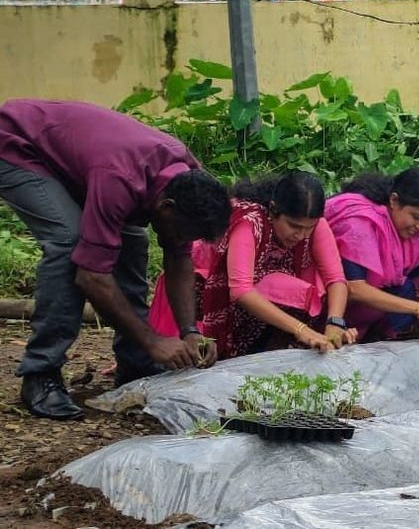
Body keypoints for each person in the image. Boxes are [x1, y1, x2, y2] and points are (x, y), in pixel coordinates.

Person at [0, 100, 230, 420]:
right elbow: (91, 276)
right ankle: (41, 374)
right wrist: (153, 341)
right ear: (166, 207)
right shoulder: (120, 178)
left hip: (82, 160)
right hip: (18, 144)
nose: (180, 242)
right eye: (180, 233)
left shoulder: (190, 181)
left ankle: (135, 364)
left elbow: (180, 260)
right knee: (70, 246)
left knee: (132, 241)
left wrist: (189, 331)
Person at [149, 171, 354, 359]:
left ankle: (264, 356)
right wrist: (301, 330)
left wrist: (334, 322)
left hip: (258, 301)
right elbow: (241, 291)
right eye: (294, 226)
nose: (301, 235)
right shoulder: (250, 222)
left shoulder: (316, 225)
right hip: (204, 292)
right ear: (273, 210)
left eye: (308, 228)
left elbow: (335, 279)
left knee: (306, 296)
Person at [325, 169, 419, 344]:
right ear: (394, 201)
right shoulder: (360, 223)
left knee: (405, 290)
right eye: (416, 217)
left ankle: (379, 337)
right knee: (403, 301)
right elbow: (355, 288)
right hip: (333, 300)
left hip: (375, 291)